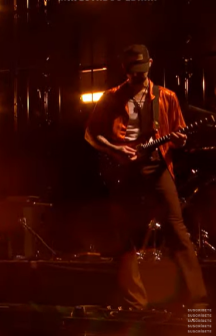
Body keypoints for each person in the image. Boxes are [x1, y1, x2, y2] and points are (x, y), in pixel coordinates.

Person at [85, 44, 208, 310]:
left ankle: (198, 301)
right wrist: (114, 149)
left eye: (142, 70)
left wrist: (179, 140)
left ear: (150, 64)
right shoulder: (111, 98)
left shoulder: (166, 97)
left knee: (177, 230)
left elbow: (179, 137)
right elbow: (91, 134)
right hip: (125, 171)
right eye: (133, 71)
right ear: (124, 69)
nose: (138, 76)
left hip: (158, 167)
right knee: (126, 239)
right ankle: (134, 304)